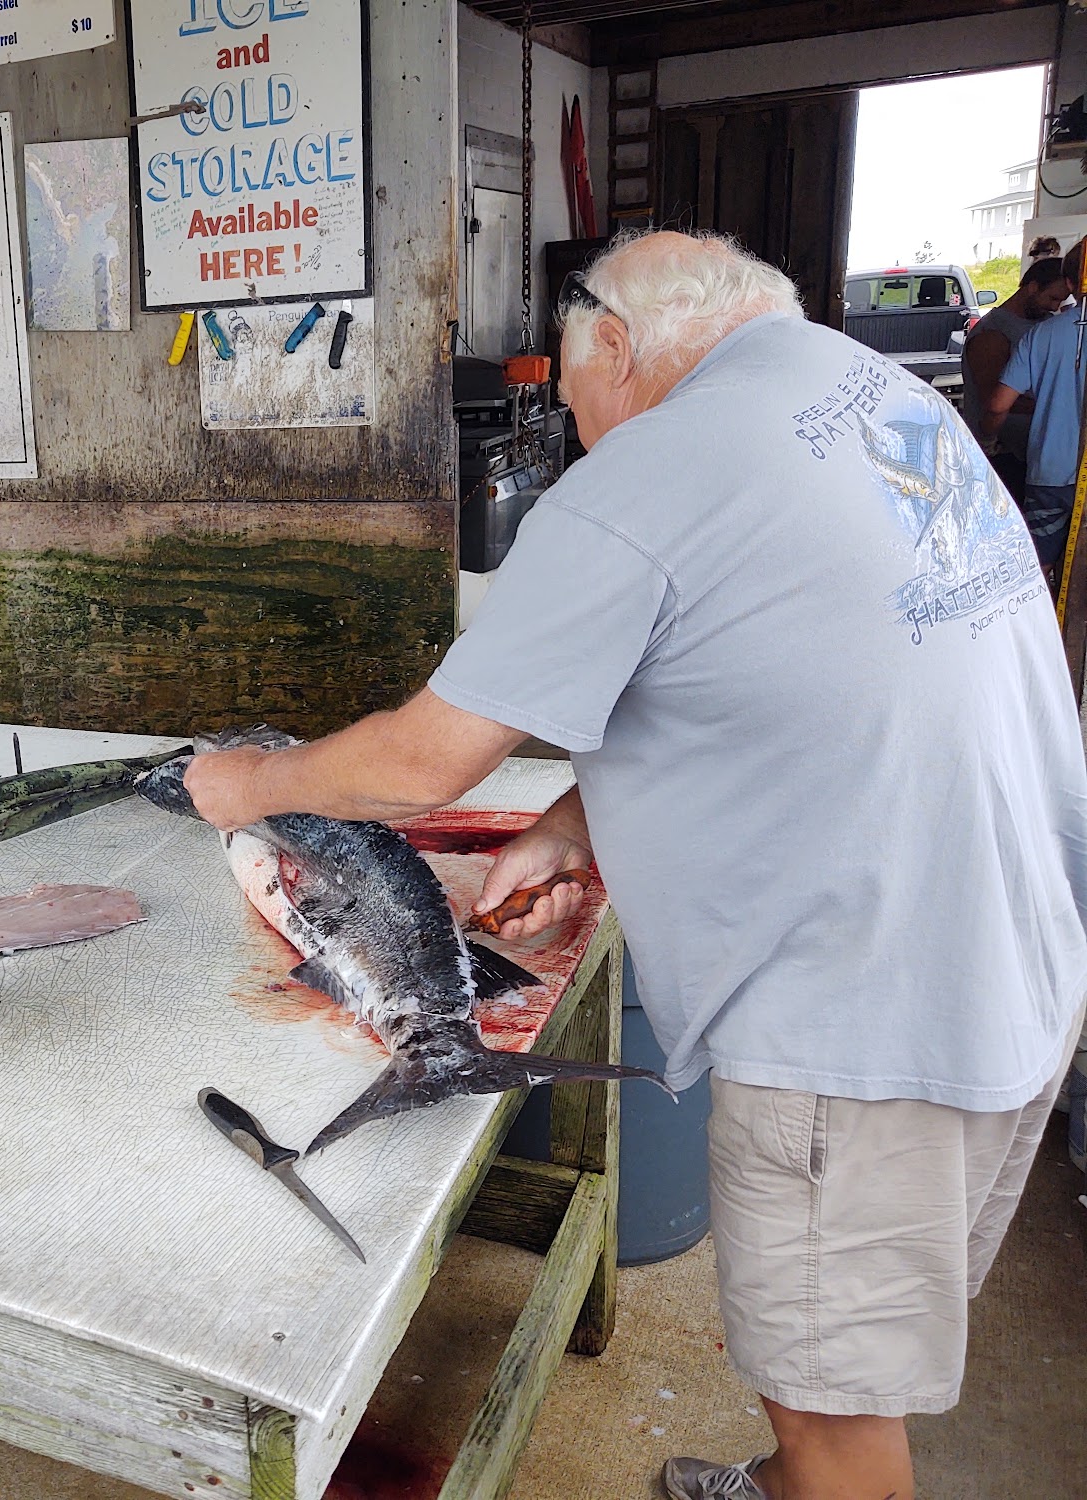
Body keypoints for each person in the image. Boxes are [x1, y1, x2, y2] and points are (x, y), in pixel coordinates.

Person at [184, 232, 1087, 1500]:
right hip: (1020, 961)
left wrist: (233, 784)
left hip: (863, 1025)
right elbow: (796, 667)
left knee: (842, 1419)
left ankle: (813, 1478)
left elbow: (416, 767)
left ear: (613, 343)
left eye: (563, 381)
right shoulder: (864, 392)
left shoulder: (652, 469)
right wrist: (576, 820)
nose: (564, 413)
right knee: (847, 1362)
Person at [961, 257, 1070, 497]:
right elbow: (994, 401)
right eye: (1052, 298)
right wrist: (1057, 406)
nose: (1055, 307)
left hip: (1037, 455)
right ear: (1032, 287)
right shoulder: (993, 334)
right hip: (1001, 455)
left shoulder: (1048, 325)